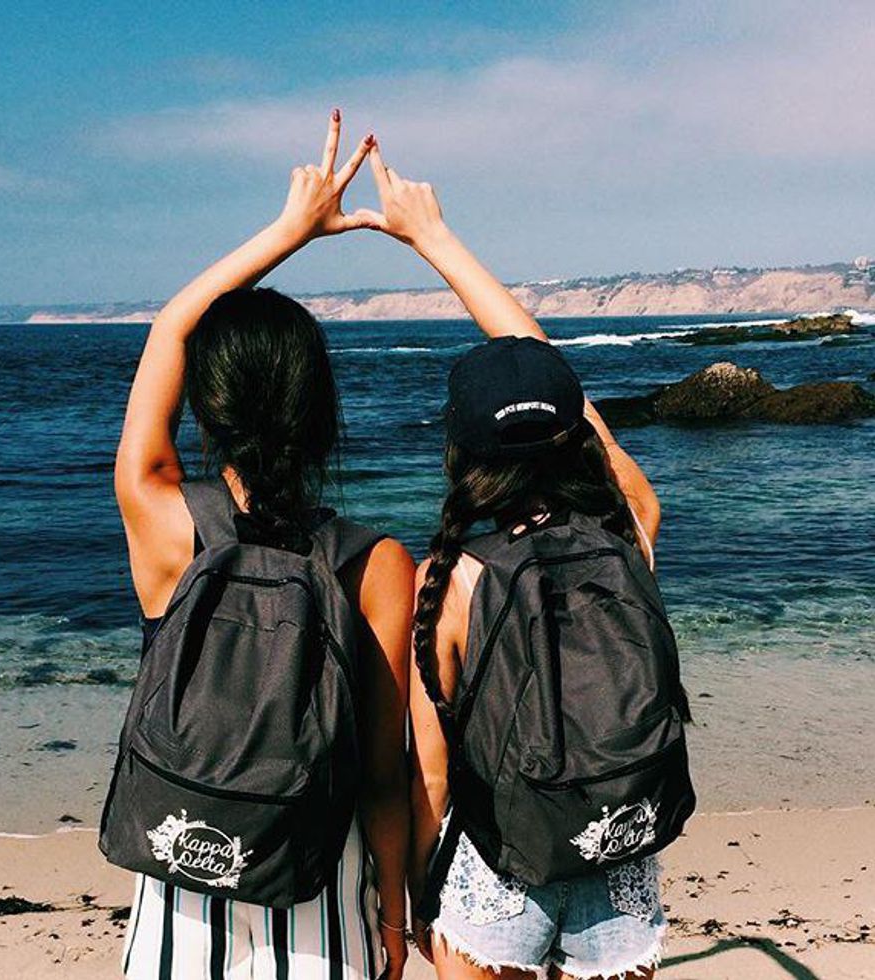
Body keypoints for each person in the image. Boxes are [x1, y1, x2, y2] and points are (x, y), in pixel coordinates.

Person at [113, 112, 414, 980]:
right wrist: (395, 913)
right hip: (321, 909)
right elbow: (382, 777)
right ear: (321, 414)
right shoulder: (373, 564)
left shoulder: (165, 525)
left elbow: (169, 330)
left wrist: (288, 232)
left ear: (207, 409)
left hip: (177, 907)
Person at [359, 142, 668, 979]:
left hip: (498, 867)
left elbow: (430, 774)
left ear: (463, 454)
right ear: (574, 437)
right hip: (617, 847)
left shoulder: (455, 578)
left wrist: (414, 899)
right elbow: (567, 394)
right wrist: (439, 239)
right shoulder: (630, 530)